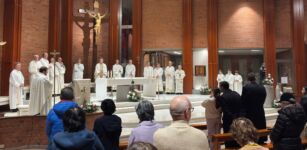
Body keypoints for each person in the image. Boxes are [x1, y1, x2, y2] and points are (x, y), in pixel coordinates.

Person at [241, 73, 267, 144]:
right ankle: (261, 140)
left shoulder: (246, 87)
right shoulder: (262, 87)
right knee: (260, 126)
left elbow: (243, 100)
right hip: (260, 111)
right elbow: (264, 98)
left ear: (248, 79)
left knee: (251, 130)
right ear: (255, 78)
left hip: (250, 112)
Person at [217, 81, 242, 148]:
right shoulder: (236, 94)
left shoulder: (223, 96)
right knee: (237, 135)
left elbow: (225, 110)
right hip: (238, 118)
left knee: (228, 137)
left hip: (228, 120)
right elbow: (241, 106)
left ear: (222, 87)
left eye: (220, 86)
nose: (219, 88)